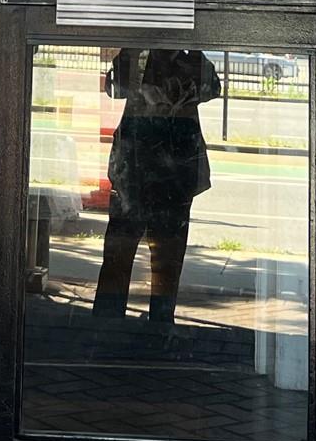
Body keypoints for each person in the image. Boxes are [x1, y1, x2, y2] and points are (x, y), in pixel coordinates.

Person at [92, 47, 221, 328]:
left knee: (165, 254)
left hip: (168, 166)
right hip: (139, 165)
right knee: (122, 250)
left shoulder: (189, 58)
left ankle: (157, 321)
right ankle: (111, 322)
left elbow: (212, 87)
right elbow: (114, 87)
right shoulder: (139, 54)